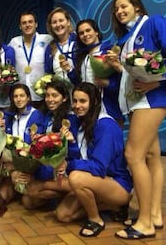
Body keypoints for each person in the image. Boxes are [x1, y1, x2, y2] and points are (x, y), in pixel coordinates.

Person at [106, 0, 166, 240]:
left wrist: (158, 82)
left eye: (123, 6)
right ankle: (155, 213)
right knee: (151, 155)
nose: (119, 11)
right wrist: (118, 67)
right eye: (116, 8)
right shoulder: (127, 36)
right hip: (137, 102)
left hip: (151, 99)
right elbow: (133, 73)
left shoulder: (153, 22)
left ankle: (145, 222)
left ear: (137, 7)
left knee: (133, 155)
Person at [55, 82, 133, 238]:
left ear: (95, 102)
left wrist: (69, 165)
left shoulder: (106, 126)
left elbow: (98, 167)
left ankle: (96, 219)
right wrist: (71, 143)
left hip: (116, 183)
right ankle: (112, 207)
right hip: (95, 179)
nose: (77, 106)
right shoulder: (81, 121)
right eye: (75, 101)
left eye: (82, 101)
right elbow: (81, 158)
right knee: (63, 215)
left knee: (76, 177)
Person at [21, 80, 75, 209]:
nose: (50, 99)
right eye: (47, 95)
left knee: (33, 192)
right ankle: (59, 198)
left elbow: (75, 150)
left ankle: (69, 194)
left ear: (65, 98)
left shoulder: (71, 119)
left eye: (54, 95)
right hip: (46, 167)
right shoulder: (45, 116)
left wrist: (68, 141)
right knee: (27, 202)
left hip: (64, 169)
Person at [66, 19, 123, 125]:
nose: (85, 35)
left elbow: (123, 80)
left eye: (88, 30)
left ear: (96, 32)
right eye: (81, 33)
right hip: (87, 110)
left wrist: (108, 83)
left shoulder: (109, 52)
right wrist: (69, 70)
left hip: (108, 107)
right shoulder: (82, 56)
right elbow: (80, 83)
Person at [0, 84, 47, 204]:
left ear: (28, 98)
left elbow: (37, 146)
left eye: (22, 96)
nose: (19, 99)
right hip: (14, 162)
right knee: (3, 196)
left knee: (28, 202)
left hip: (29, 163)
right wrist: (1, 130)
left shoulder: (37, 115)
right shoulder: (10, 116)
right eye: (15, 96)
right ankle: (14, 183)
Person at [8, 12, 52, 108]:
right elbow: (1, 52)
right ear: (20, 26)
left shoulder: (46, 39)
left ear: (36, 24)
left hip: (40, 95)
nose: (27, 25)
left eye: (30, 22)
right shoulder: (14, 42)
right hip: (20, 96)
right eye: (24, 23)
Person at [44, 7, 77, 86]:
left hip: (78, 90)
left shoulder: (78, 42)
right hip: (59, 94)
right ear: (51, 26)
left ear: (68, 22)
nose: (58, 24)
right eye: (54, 22)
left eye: (61, 20)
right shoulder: (50, 47)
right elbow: (49, 72)